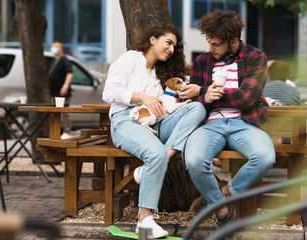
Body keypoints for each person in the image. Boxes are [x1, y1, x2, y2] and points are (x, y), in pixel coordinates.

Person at [102, 23, 206, 238]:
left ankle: (163, 157)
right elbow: (109, 92)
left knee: (196, 108)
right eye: (168, 42)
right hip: (126, 121)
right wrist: (144, 97)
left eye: (174, 47)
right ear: (152, 39)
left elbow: (169, 105)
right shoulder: (131, 58)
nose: (170, 49)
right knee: (155, 154)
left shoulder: (163, 72)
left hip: (157, 125)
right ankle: (145, 222)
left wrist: (188, 92)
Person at [179, 9, 275, 229]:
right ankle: (222, 209)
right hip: (209, 124)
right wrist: (204, 96)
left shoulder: (255, 57)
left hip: (245, 123)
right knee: (193, 161)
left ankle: (224, 193)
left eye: (216, 44)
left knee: (265, 156)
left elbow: (246, 98)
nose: (210, 48)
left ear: (233, 40)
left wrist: (205, 92)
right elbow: (195, 104)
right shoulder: (203, 62)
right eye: (209, 42)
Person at [49, 41, 74, 139]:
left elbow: (70, 73)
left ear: (60, 48)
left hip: (62, 92)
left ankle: (67, 131)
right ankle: (56, 131)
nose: (53, 48)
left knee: (65, 112)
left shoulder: (65, 60)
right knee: (54, 112)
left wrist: (65, 86)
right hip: (53, 91)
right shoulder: (53, 60)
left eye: (55, 47)